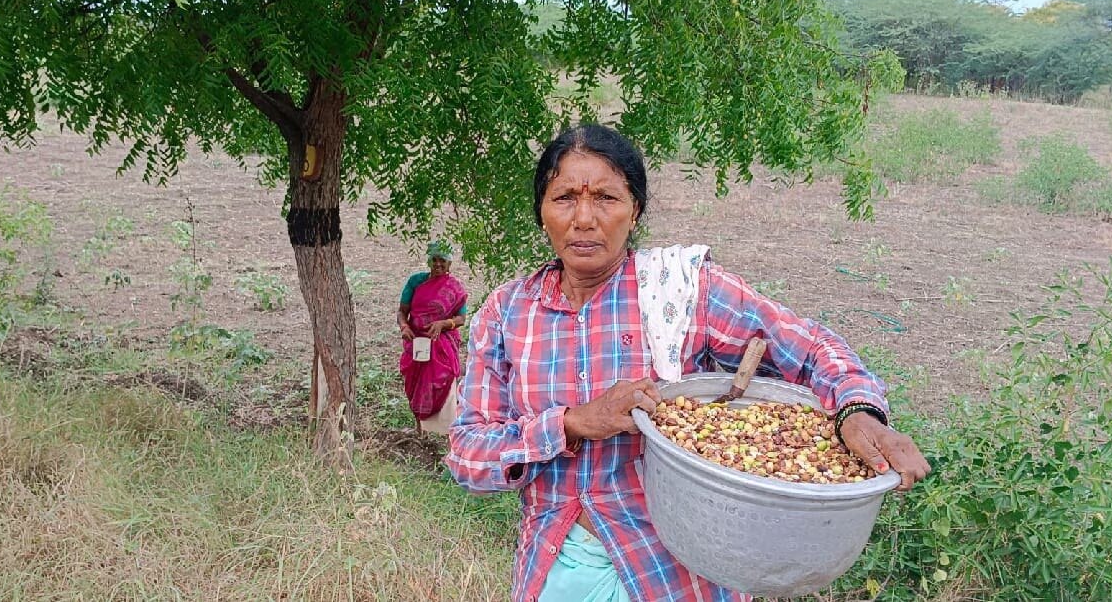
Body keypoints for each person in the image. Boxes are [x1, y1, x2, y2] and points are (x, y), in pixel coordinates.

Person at [446, 124, 931, 602]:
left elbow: (811, 348)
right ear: (542, 212)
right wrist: (572, 424)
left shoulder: (680, 293)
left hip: (675, 572)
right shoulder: (508, 313)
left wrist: (858, 412)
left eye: (607, 199)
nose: (585, 218)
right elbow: (469, 456)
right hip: (556, 569)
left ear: (635, 210)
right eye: (565, 197)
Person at [398, 242, 468, 435]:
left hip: (442, 346)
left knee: (442, 383)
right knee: (415, 382)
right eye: (434, 260)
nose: (438, 264)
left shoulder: (454, 288)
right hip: (417, 342)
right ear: (429, 261)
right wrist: (404, 326)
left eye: (442, 261)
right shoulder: (416, 282)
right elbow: (402, 312)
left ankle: (449, 435)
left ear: (449, 264)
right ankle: (420, 430)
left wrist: (442, 324)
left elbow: (461, 319)